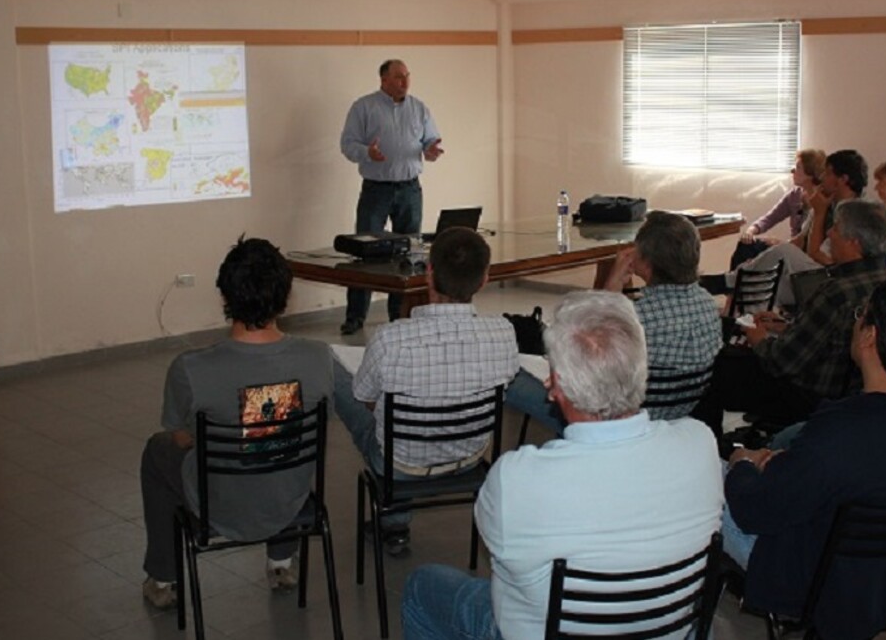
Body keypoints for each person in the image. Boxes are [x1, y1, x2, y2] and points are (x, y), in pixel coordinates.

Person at [401, 290, 724, 640]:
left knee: (423, 586)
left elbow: (500, 551)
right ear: (641, 371)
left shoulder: (517, 479)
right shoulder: (700, 444)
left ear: (557, 389)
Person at [722, 277, 886, 640]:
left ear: (869, 336)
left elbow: (753, 512)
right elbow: (875, 471)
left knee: (709, 481)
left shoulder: (843, 431)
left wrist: (742, 463)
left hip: (816, 579)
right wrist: (787, 466)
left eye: (861, 315)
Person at [139, 237, 333, 609]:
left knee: (157, 450)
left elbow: (182, 438)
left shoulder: (191, 369)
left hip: (218, 505)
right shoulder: (318, 358)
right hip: (288, 503)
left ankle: (163, 578)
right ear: (285, 297)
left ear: (225, 297)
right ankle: (281, 560)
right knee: (284, 438)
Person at [333, 226, 518, 554]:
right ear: (484, 279)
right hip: (469, 457)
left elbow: (365, 400)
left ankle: (394, 522)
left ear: (428, 272)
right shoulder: (504, 333)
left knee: (339, 376)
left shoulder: (391, 338)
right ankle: (395, 520)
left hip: (400, 467)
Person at [506, 211, 723, 432]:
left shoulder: (633, 320)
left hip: (613, 420)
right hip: (681, 413)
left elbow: (585, 345)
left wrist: (612, 284)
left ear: (646, 264)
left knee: (512, 375)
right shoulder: (708, 305)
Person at [705, 199, 886, 435]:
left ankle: (715, 448)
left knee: (715, 366)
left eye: (835, 228)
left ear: (853, 242)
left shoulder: (835, 291)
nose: (829, 233)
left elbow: (781, 362)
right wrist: (787, 327)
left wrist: (759, 338)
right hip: (848, 391)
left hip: (805, 395)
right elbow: (829, 337)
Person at [339, 59, 445, 335]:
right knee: (364, 255)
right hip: (377, 189)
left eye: (407, 76)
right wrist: (367, 153)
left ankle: (400, 316)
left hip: (410, 189)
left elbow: (430, 141)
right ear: (383, 80)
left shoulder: (419, 108)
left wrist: (431, 151)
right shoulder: (364, 107)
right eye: (398, 77)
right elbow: (348, 145)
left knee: (408, 254)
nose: (405, 82)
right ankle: (355, 317)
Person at [707, 149, 869, 308]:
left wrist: (819, 214)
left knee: (783, 251)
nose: (822, 178)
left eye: (827, 174)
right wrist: (762, 255)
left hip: (832, 273)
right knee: (763, 283)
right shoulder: (824, 202)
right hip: (808, 265)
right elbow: (799, 239)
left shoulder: (854, 212)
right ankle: (742, 323)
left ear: (843, 179)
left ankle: (726, 282)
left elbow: (817, 255)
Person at [729, 148, 827, 268]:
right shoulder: (794, 195)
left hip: (803, 253)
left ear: (811, 173)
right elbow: (770, 218)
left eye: (798, 167)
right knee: (745, 245)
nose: (792, 171)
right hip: (789, 247)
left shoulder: (823, 200)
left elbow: (804, 241)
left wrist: (780, 244)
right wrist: (750, 231)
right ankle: (736, 281)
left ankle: (733, 281)